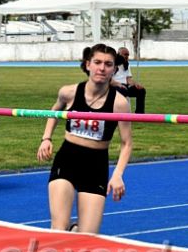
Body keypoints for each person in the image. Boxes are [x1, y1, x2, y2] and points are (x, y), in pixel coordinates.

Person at [37, 43, 133, 234]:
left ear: (114, 69)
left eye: (108, 64)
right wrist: (46, 138)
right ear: (87, 64)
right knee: (58, 229)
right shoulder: (69, 92)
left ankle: (75, 230)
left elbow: (127, 143)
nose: (102, 68)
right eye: (97, 62)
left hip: (95, 165)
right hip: (67, 159)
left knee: (88, 237)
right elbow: (54, 112)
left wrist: (118, 174)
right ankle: (66, 231)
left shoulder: (119, 103)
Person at [111, 47, 147, 113]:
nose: (127, 56)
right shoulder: (112, 64)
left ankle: (139, 113)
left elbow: (128, 79)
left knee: (141, 91)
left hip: (125, 86)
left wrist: (136, 84)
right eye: (125, 54)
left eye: (128, 55)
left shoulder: (127, 64)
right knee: (123, 90)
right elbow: (108, 80)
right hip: (114, 86)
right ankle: (121, 112)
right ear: (118, 54)